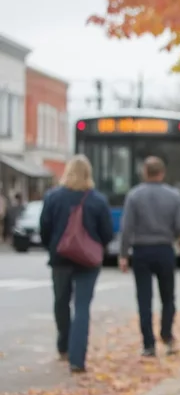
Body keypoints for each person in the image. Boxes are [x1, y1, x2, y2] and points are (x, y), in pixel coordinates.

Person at [39, 155, 114, 374]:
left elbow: (45, 228)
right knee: (82, 307)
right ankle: (77, 359)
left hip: (61, 258)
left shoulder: (53, 197)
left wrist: (53, 246)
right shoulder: (97, 200)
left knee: (61, 303)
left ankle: (63, 345)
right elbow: (107, 233)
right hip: (88, 261)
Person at [118, 156, 180, 357]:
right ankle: (166, 334)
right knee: (168, 297)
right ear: (162, 173)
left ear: (144, 173)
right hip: (164, 249)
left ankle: (148, 343)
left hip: (141, 250)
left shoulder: (134, 196)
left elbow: (127, 227)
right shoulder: (174, 196)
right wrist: (170, 236)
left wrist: (123, 254)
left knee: (144, 298)